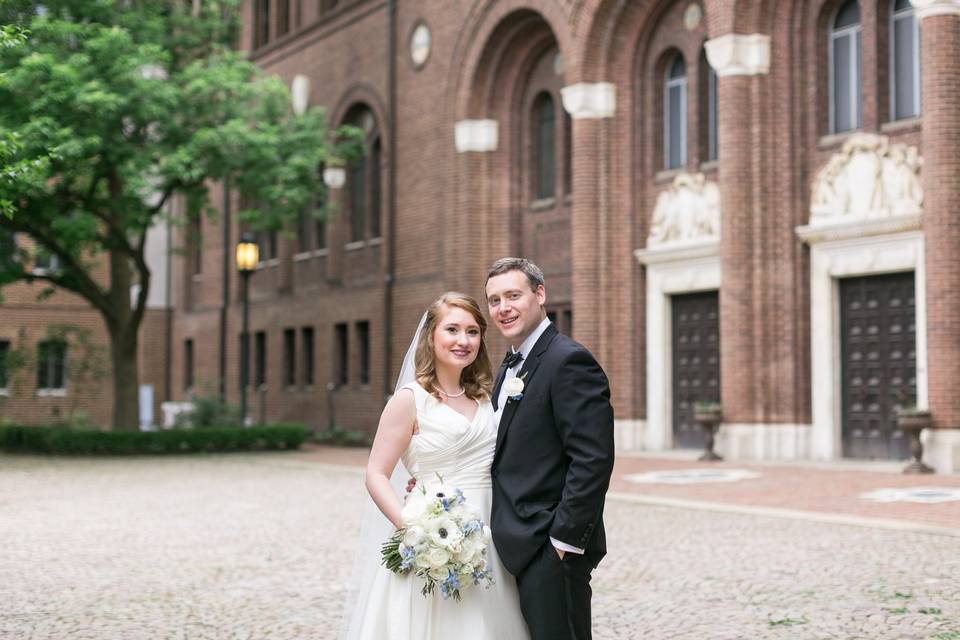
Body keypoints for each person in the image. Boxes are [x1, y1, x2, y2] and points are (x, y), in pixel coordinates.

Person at [338, 292, 530, 640]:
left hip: (490, 533)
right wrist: (415, 531)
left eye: (472, 332)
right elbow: (376, 474)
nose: (463, 340)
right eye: (452, 329)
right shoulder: (410, 400)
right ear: (431, 336)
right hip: (431, 534)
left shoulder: (486, 397)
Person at [485, 257, 615, 640]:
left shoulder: (568, 360)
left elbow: (592, 459)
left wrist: (562, 543)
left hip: (550, 548)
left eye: (513, 295)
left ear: (540, 294)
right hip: (515, 544)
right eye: (494, 300)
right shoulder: (512, 364)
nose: (503, 308)